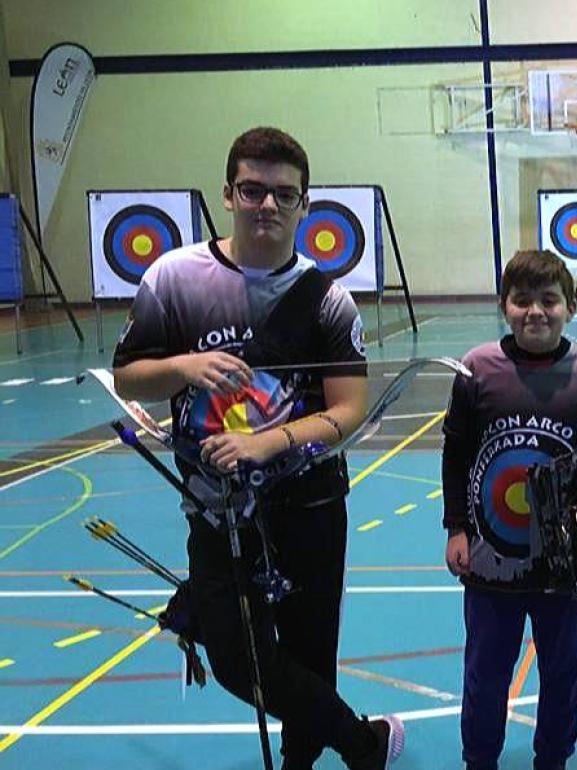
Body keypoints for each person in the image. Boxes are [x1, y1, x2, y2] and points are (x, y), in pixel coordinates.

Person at [113, 126, 403, 770]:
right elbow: (129, 375)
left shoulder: (328, 299)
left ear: (304, 203)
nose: (267, 205)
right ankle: (363, 743)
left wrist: (268, 440)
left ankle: (311, 761)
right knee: (235, 657)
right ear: (228, 194)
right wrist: (185, 366)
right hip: (217, 505)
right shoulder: (173, 278)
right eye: (253, 190)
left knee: (307, 652)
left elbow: (348, 409)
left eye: (283, 194)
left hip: (309, 502)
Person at [441, 249, 577, 770]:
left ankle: (553, 761)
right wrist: (456, 528)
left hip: (565, 563)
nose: (535, 312)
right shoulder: (476, 369)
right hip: (490, 561)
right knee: (486, 674)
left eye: (548, 300)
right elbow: (456, 454)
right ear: (504, 306)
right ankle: (480, 761)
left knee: (563, 672)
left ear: (569, 306)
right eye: (522, 301)